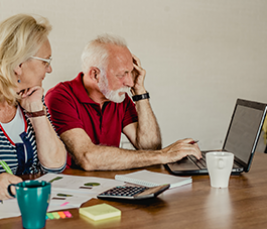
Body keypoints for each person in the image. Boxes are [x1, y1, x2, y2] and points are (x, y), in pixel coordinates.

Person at [45, 34, 201, 171]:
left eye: (130, 72)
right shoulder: (60, 97)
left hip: (109, 184)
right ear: (95, 74)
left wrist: (140, 92)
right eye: (122, 74)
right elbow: (87, 158)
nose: (130, 82)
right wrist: (165, 155)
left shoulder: (118, 98)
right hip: (73, 191)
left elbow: (149, 148)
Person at [0, 14, 66, 200]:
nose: (49, 69)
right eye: (46, 61)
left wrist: (37, 111)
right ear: (19, 65)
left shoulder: (30, 99)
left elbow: (55, 165)